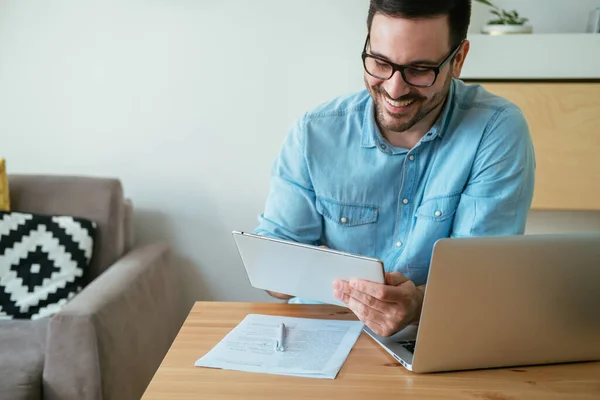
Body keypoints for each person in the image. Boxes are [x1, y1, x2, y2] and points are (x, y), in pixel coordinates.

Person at [253, 0, 535, 337]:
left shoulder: (495, 130)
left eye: (419, 69)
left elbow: (480, 282)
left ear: (458, 59)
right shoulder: (314, 132)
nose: (394, 88)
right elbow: (272, 271)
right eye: (380, 63)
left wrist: (417, 303)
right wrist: (297, 268)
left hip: (437, 336)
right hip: (323, 335)